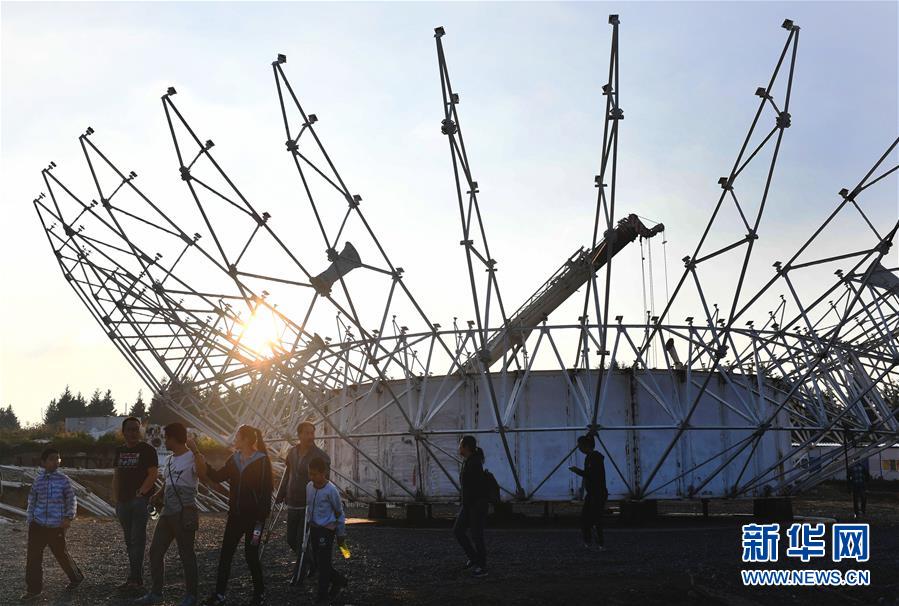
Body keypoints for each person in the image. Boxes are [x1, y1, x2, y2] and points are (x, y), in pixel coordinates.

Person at [202, 425, 273, 606]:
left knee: (251, 555)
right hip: (236, 516)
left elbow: (267, 490)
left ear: (247, 440)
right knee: (226, 554)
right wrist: (204, 465)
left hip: (256, 520)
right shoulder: (234, 459)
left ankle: (260, 594)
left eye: (238, 437)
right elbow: (218, 477)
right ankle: (219, 594)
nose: (235, 439)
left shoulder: (263, 461)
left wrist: (262, 516)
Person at [136, 423, 206, 606]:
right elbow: (168, 483)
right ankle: (156, 593)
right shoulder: (169, 460)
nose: (164, 441)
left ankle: (191, 596)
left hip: (184, 512)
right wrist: (156, 496)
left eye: (167, 437)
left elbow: (202, 474)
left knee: (186, 555)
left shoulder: (192, 457)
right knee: (155, 552)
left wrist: (196, 450)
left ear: (174, 438)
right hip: (167, 512)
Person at [20, 447, 84, 602]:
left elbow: (71, 500)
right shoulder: (38, 481)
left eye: (58, 459)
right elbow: (32, 501)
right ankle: (33, 590)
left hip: (56, 525)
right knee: (33, 558)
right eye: (51, 459)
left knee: (61, 554)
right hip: (37, 525)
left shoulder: (63, 480)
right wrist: (30, 519)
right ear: (43, 462)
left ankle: (76, 578)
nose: (55, 462)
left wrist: (68, 518)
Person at [275, 421, 330, 575]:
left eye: (312, 433)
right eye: (307, 433)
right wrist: (281, 493)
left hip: (309, 503)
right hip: (292, 500)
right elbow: (288, 473)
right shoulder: (292, 453)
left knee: (301, 539)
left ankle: (299, 571)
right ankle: (312, 563)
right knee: (291, 539)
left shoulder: (320, 457)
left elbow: (325, 480)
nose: (310, 436)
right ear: (299, 435)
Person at [114, 416, 159, 590]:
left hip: (140, 501)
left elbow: (153, 474)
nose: (134, 432)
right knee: (128, 540)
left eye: (136, 429)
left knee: (137, 539)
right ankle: (134, 576)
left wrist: (141, 493)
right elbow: (117, 474)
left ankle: (136, 579)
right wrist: (116, 498)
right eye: (130, 429)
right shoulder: (119, 450)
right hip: (123, 502)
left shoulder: (147, 450)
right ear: (123, 432)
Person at [306, 457, 348, 604]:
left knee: (323, 562)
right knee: (318, 561)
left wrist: (341, 533)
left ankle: (322, 595)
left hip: (327, 529)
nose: (312, 477)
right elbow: (309, 507)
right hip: (314, 528)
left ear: (324, 473)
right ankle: (338, 580)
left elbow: (339, 512)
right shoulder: (309, 487)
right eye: (310, 474)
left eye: (315, 474)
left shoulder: (331, 491)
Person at [454, 435, 488, 578]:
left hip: (476, 505)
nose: (459, 447)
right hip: (469, 504)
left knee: (476, 536)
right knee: (458, 531)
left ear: (466, 447)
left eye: (461, 445)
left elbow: (476, 487)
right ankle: (474, 558)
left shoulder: (474, 463)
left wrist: (469, 502)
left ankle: (482, 567)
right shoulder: (468, 461)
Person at [569, 434, 608, 550]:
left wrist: (578, 471)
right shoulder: (593, 457)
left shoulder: (593, 458)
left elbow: (591, 475)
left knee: (591, 518)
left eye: (580, 445)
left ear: (586, 445)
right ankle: (596, 543)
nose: (579, 448)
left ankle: (594, 543)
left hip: (596, 493)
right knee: (591, 518)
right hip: (595, 493)